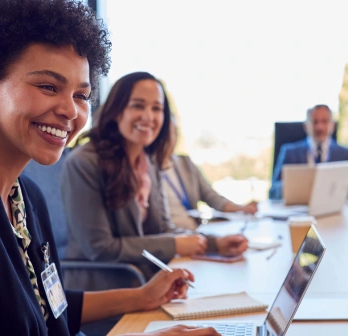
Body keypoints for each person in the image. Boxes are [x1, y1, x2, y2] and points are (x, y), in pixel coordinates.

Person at [0, 1, 231, 336]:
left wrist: (141, 296)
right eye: (48, 86)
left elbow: (51, 304)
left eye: (81, 94)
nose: (70, 111)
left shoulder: (25, 196)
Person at [60, 72, 248, 278]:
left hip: (146, 278)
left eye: (156, 108)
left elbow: (162, 228)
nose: (149, 117)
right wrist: (174, 244)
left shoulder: (149, 163)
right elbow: (101, 248)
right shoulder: (83, 163)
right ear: (116, 111)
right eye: (138, 105)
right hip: (106, 285)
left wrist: (214, 243)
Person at [161, 116, 258, 230]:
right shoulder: (147, 169)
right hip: (171, 236)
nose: (172, 138)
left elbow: (211, 196)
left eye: (175, 132)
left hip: (195, 232)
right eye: (167, 133)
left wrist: (241, 208)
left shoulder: (185, 163)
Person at [270, 104, 348, 199]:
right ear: (306, 126)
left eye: (324, 121)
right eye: (315, 122)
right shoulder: (290, 152)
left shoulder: (344, 154)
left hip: (331, 210)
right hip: (298, 209)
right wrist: (291, 187)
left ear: (333, 125)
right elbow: (273, 191)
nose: (320, 127)